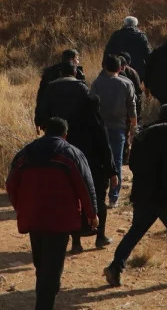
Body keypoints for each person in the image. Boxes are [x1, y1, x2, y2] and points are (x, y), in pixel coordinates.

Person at [7, 117, 99, 310]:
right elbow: (85, 186)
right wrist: (92, 215)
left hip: (33, 218)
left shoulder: (25, 154)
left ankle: (46, 292)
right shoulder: (71, 154)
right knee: (51, 269)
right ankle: (43, 309)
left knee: (42, 265)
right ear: (65, 135)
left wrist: (21, 207)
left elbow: (11, 184)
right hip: (60, 221)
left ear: (45, 131)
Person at [104, 104, 167, 287]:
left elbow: (131, 164)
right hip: (164, 196)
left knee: (136, 231)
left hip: (143, 195)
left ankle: (115, 267)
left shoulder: (143, 135)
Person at [34, 73, 118, 252]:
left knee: (76, 202)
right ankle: (100, 237)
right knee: (100, 202)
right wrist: (112, 172)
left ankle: (76, 242)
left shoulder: (73, 122)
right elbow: (105, 148)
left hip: (75, 166)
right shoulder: (97, 122)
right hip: (96, 168)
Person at [91, 55, 138, 207]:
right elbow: (132, 108)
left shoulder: (97, 82)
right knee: (116, 161)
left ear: (104, 67)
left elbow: (91, 105)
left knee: (99, 161)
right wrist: (133, 127)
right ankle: (114, 197)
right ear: (120, 68)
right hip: (118, 127)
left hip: (100, 128)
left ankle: (98, 195)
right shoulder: (127, 83)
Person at [37, 49, 86, 125]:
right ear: (71, 60)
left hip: (53, 118)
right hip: (73, 119)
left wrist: (39, 119)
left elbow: (41, 97)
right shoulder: (77, 73)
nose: (78, 62)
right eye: (77, 59)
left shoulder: (49, 72)